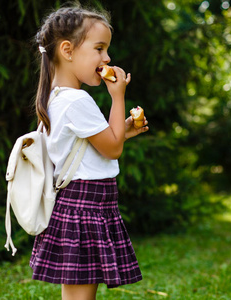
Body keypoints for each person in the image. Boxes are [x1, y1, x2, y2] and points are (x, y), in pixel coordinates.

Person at [29, 6, 147, 300]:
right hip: (86, 207)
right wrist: (117, 96)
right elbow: (114, 149)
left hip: (82, 205)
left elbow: (98, 145)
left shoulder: (56, 97)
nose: (107, 58)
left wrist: (124, 129)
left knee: (78, 294)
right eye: (99, 48)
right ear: (67, 50)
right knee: (81, 297)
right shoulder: (77, 99)